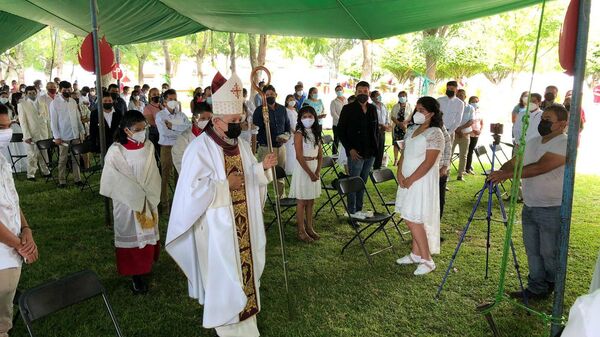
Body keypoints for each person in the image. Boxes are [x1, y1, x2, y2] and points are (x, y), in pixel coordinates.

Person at [166, 72, 277, 337]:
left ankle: (247, 321)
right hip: (217, 231)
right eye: (233, 121)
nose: (239, 125)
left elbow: (250, 176)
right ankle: (227, 322)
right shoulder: (199, 149)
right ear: (216, 121)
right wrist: (224, 186)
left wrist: (262, 169)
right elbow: (190, 193)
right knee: (226, 278)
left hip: (243, 226)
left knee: (246, 276)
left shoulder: (239, 144)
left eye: (240, 119)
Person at [489, 104, 569, 300]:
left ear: (562, 124)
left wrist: (507, 174)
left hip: (552, 206)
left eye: (548, 120)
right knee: (532, 250)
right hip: (531, 205)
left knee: (549, 252)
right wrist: (501, 171)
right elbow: (517, 161)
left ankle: (552, 283)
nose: (543, 122)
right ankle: (536, 286)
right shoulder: (534, 141)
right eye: (543, 119)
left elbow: (540, 167)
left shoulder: (564, 143)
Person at [100, 110, 160, 294]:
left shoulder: (148, 146)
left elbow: (153, 172)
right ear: (127, 131)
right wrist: (134, 194)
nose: (143, 132)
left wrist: (147, 193)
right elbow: (112, 178)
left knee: (147, 233)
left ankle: (145, 266)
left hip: (147, 198)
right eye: (138, 129)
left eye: (145, 128)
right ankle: (135, 275)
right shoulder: (116, 151)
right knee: (132, 235)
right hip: (126, 201)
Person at [0, 104, 39, 337]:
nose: (5, 132)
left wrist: (26, 230)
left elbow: (12, 201)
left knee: (5, 313)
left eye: (7, 127)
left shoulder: (3, 162)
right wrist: (19, 244)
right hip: (4, 253)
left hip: (13, 246)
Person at [394, 96, 445, 275]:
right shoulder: (413, 129)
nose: (418, 113)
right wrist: (400, 173)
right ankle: (415, 254)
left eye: (422, 110)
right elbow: (404, 152)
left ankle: (427, 260)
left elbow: (428, 163)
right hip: (406, 178)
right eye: (417, 110)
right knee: (411, 216)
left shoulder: (435, 133)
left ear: (431, 113)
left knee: (413, 218)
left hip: (420, 181)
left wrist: (411, 179)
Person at [337, 81, 380, 219]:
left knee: (363, 181)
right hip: (355, 153)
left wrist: (376, 150)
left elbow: (375, 130)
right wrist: (350, 149)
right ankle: (352, 211)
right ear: (356, 92)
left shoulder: (373, 109)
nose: (362, 94)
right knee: (354, 182)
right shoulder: (348, 109)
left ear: (369, 92)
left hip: (370, 152)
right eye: (360, 91)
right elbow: (341, 131)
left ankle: (359, 210)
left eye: (365, 91)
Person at [289, 106, 323, 243]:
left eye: (310, 116)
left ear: (314, 118)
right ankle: (301, 230)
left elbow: (320, 154)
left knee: (311, 200)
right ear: (300, 119)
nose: (307, 119)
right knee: (302, 201)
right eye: (304, 117)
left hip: (314, 167)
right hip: (304, 169)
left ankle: (310, 227)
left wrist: (318, 171)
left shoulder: (316, 132)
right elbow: (299, 156)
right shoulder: (299, 133)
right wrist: (310, 173)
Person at [155, 89, 191, 213]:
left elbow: (189, 128)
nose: (173, 101)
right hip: (167, 147)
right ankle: (164, 204)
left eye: (175, 99)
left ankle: (178, 202)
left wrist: (173, 127)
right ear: (164, 102)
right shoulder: (160, 115)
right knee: (165, 176)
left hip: (181, 146)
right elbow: (165, 133)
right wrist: (179, 130)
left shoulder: (181, 115)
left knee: (180, 174)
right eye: (170, 99)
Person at [253, 84, 291, 197]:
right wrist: (272, 138)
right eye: (267, 94)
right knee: (263, 174)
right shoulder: (259, 111)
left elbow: (287, 125)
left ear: (276, 95)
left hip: (280, 147)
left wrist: (286, 136)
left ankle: (281, 196)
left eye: (272, 94)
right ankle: (260, 199)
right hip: (266, 147)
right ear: (263, 96)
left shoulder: (282, 109)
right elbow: (257, 130)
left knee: (280, 173)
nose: (270, 96)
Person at [50, 81, 85, 188]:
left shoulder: (73, 102)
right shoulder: (54, 103)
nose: (67, 91)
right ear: (60, 90)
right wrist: (57, 137)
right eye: (64, 90)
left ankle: (77, 179)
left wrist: (82, 131)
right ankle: (62, 181)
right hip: (63, 136)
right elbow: (53, 122)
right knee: (63, 159)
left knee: (76, 158)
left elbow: (78, 118)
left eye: (69, 89)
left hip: (75, 134)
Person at [18, 86, 51, 181]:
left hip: (43, 132)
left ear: (36, 93)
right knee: (32, 154)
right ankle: (31, 174)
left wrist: (49, 133)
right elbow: (23, 122)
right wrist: (27, 136)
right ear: (26, 94)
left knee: (44, 153)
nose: (32, 95)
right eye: (30, 93)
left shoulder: (42, 102)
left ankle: (46, 171)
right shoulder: (22, 105)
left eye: (34, 93)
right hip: (31, 133)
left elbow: (47, 118)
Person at [172, 102, 212, 173]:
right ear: (194, 119)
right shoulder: (183, 138)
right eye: (202, 118)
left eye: (209, 118)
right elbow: (179, 161)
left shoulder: (214, 135)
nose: (206, 121)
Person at [452, 89, 474, 181]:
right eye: (458, 95)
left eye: (462, 95)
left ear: (465, 96)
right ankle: (446, 173)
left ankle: (460, 174)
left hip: (465, 134)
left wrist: (460, 129)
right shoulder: (453, 107)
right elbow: (450, 120)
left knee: (463, 155)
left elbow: (471, 121)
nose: (460, 97)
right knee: (449, 154)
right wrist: (457, 129)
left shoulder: (470, 108)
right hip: (453, 133)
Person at [437, 80, 464, 147]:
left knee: (447, 154)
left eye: (452, 89)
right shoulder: (439, 100)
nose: (449, 90)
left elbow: (458, 120)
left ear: (456, 90)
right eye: (448, 89)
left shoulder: (460, 103)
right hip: (437, 130)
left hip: (450, 132)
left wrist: (448, 133)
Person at [391, 90, 413, 166]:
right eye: (400, 96)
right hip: (397, 127)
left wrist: (405, 124)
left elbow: (411, 117)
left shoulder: (410, 106)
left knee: (404, 144)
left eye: (403, 96)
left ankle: (402, 159)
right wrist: (399, 124)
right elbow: (392, 117)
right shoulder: (395, 106)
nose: (402, 97)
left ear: (406, 97)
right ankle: (396, 160)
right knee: (396, 144)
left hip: (406, 127)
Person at [371, 90, 391, 169]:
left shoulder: (383, 105)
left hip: (383, 130)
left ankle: (377, 166)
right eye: (377, 95)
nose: (379, 97)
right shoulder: (371, 106)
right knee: (374, 148)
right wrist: (381, 125)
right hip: (375, 130)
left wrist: (387, 125)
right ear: (372, 98)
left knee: (381, 148)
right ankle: (371, 165)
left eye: (380, 95)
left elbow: (387, 116)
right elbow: (372, 119)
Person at [465, 96, 483, 174]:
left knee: (471, 150)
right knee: (468, 151)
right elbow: (467, 121)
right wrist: (472, 130)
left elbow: (482, 123)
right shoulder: (468, 111)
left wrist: (480, 131)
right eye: (473, 101)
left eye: (477, 101)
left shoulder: (479, 112)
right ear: (470, 102)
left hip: (477, 134)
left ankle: (468, 166)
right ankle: (466, 168)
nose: (475, 103)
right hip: (469, 133)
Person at [143, 88, 162, 153]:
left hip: (164, 133)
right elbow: (151, 122)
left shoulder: (162, 106)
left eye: (158, 94)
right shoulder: (147, 108)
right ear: (150, 96)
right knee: (157, 152)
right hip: (155, 133)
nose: (156, 96)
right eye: (154, 94)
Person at [330, 85, 347, 155]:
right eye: (337, 90)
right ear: (335, 92)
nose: (339, 91)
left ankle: (344, 155)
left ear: (343, 90)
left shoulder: (346, 100)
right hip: (337, 124)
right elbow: (333, 113)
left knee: (346, 140)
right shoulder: (333, 102)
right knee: (336, 140)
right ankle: (334, 155)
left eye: (340, 89)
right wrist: (341, 120)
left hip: (346, 124)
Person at [284, 95, 298, 175]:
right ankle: (288, 169)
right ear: (286, 101)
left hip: (296, 132)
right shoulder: (285, 110)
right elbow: (287, 123)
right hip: (290, 133)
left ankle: (294, 167)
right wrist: (293, 131)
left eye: (293, 99)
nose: (292, 101)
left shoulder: (295, 110)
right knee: (289, 150)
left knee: (295, 151)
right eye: (290, 100)